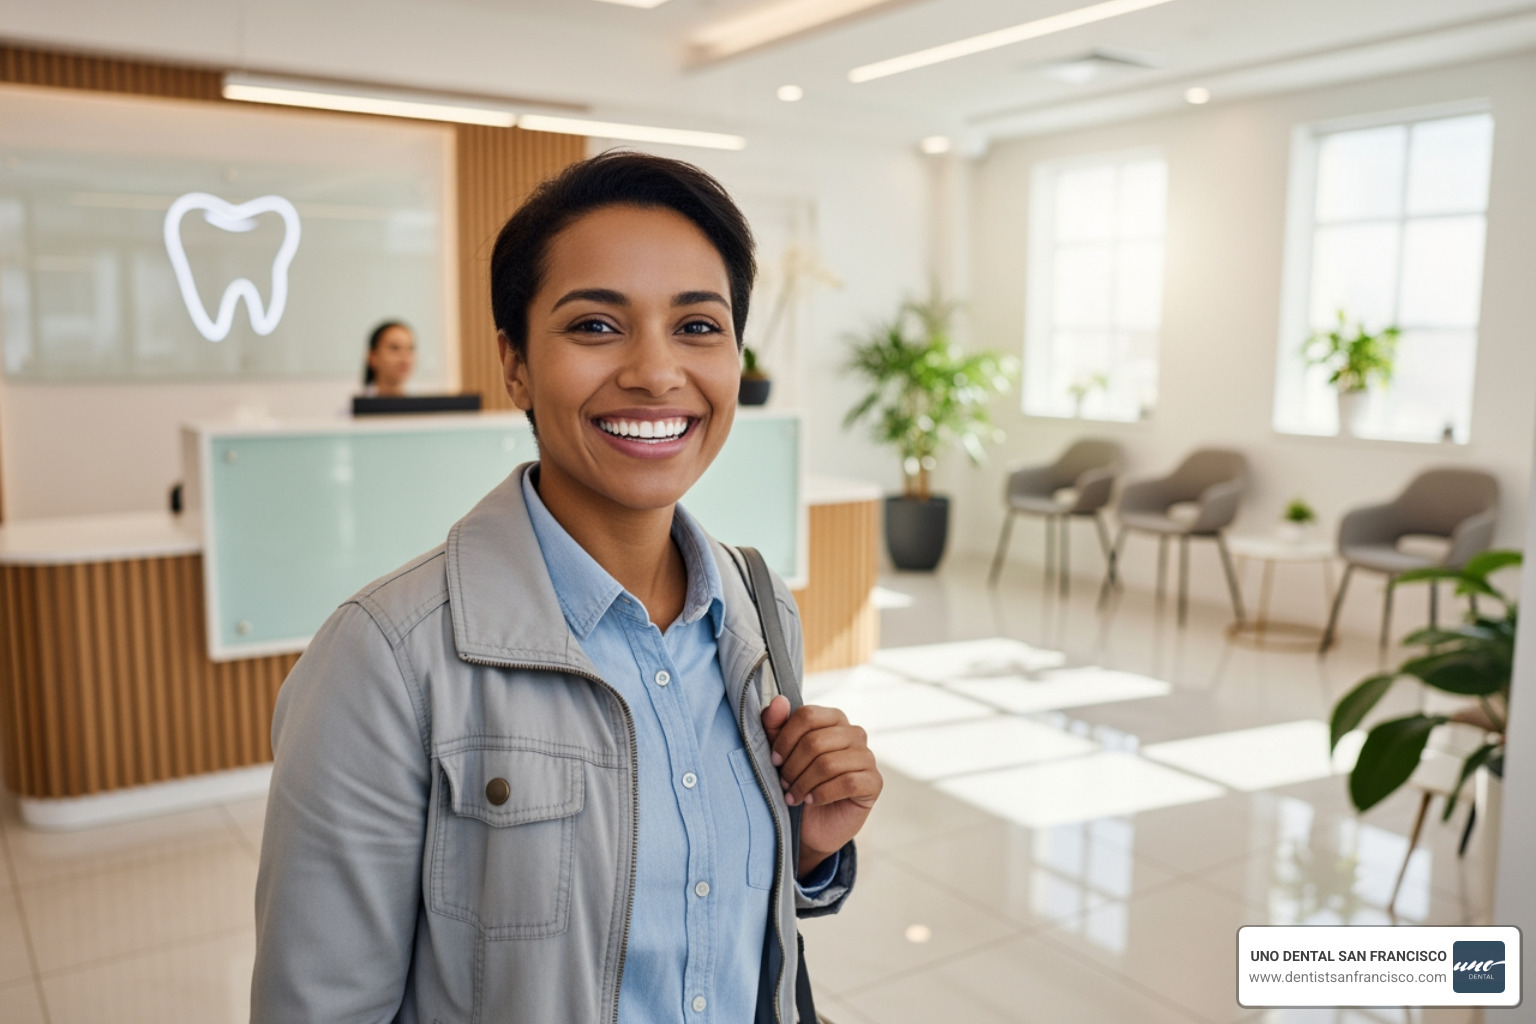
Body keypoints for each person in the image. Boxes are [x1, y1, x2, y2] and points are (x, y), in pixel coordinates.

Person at [252, 152, 882, 1024]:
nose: (657, 373)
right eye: (595, 326)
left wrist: (804, 852)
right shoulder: (386, 659)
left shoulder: (758, 605)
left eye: (698, 326)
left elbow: (717, 921)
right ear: (514, 364)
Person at [362, 320, 416, 395]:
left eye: (410, 349)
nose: (405, 359)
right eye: (394, 348)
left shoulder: (423, 406)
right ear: (372, 357)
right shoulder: (353, 406)